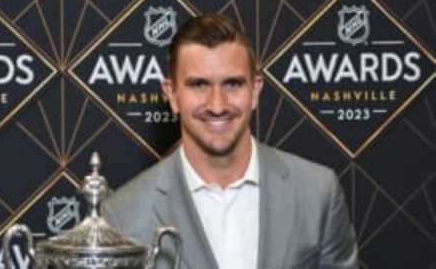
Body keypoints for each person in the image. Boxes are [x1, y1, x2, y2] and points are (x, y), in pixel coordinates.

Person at [102, 14, 358, 269]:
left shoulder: (317, 193)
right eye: (199, 85)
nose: (217, 105)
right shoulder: (124, 215)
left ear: (255, 90)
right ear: (172, 94)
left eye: (232, 84)